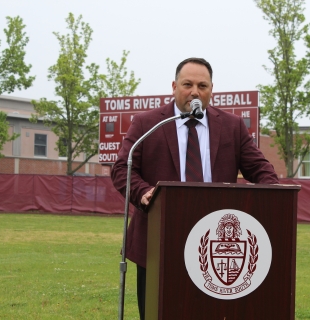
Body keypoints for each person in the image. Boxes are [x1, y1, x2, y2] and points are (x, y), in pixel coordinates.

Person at [111, 57, 279, 320]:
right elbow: (122, 168)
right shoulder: (148, 123)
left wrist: (275, 197)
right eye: (187, 84)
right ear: (174, 86)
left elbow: (260, 169)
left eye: (202, 85)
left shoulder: (232, 126)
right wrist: (144, 193)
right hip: (157, 240)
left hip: (214, 239)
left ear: (212, 89)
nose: (194, 92)